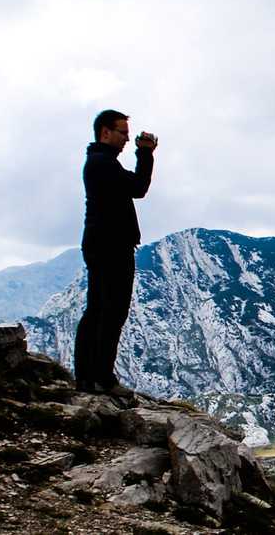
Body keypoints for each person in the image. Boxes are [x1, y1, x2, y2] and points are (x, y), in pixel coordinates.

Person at [73, 109, 157, 396]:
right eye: (122, 133)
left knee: (99, 310)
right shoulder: (102, 163)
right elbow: (139, 187)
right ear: (105, 132)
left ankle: (89, 377)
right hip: (111, 246)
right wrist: (145, 154)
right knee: (109, 312)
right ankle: (100, 378)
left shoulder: (99, 162)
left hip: (102, 243)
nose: (126, 139)